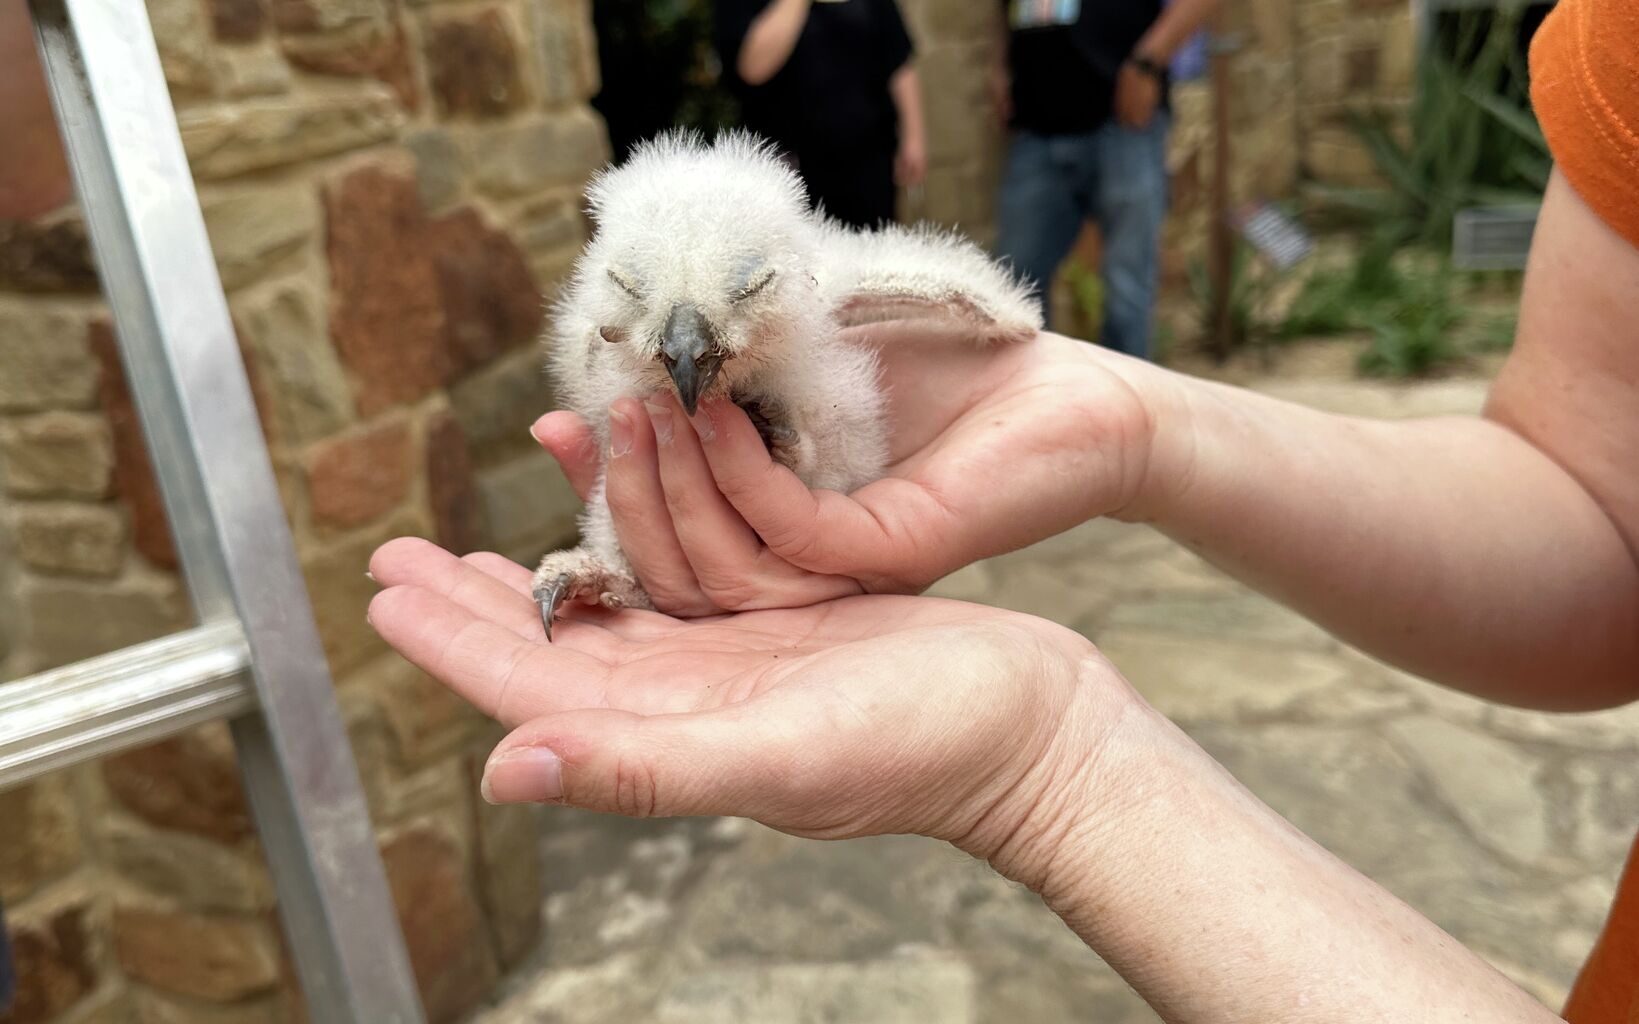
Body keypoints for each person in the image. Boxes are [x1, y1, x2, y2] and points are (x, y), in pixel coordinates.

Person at [367, 0, 1639, 1017]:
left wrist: (1056, 772)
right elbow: (1602, 514)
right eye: (648, 318)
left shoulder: (816, 286)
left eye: (737, 307)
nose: (687, 347)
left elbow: (934, 292)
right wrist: (1135, 421)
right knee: (657, 473)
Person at [992, 0, 1218, 357]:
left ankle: (1128, 408)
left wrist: (1149, 59)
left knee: (1127, 289)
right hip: (1037, 121)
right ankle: (1034, 404)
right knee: (1013, 286)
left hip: (1124, 118)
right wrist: (1002, 65)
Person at [715, 0, 926, 229]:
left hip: (868, 159)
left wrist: (914, 136)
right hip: (790, 169)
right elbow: (752, 69)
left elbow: (898, 61)